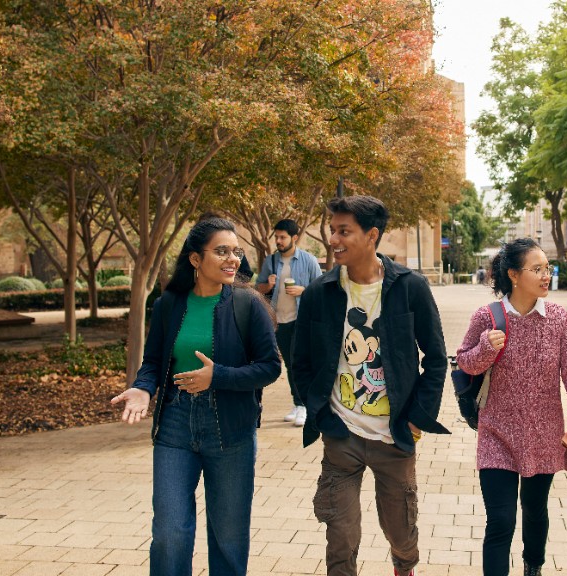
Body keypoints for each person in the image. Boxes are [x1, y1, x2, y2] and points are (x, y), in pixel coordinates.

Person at [110, 214, 282, 576]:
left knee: (228, 536)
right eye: (221, 251)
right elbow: (154, 361)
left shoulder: (248, 305)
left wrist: (216, 376)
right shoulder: (170, 305)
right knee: (170, 532)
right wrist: (143, 389)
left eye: (236, 252)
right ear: (195, 259)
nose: (232, 259)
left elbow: (270, 367)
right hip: (175, 425)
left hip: (231, 429)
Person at [292, 195, 449, 576]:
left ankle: (404, 567)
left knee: (400, 529)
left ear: (372, 235)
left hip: (393, 436)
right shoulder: (320, 292)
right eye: (333, 230)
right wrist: (319, 412)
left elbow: (437, 358)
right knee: (341, 534)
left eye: (344, 231)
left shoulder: (410, 287)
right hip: (341, 435)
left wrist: (416, 418)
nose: (333, 239)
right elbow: (300, 361)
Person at [456, 238, 567, 576]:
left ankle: (532, 566)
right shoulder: (487, 317)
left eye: (547, 269)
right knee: (501, 520)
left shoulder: (559, 319)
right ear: (514, 275)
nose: (546, 275)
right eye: (537, 269)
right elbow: (465, 364)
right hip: (496, 434)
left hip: (543, 435)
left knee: (535, 511)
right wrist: (485, 350)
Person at [255, 218, 324, 427]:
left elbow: (321, 290)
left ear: (294, 238)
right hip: (278, 321)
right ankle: (299, 404)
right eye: (276, 237)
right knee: (290, 364)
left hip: (301, 320)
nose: (278, 240)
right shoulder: (271, 261)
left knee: (299, 362)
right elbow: (257, 290)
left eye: (282, 237)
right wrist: (268, 284)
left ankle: (303, 405)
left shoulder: (309, 260)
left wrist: (303, 290)